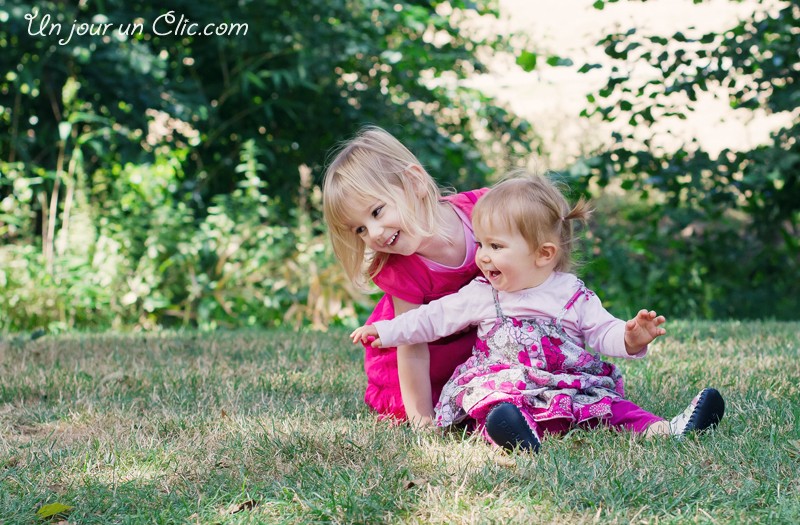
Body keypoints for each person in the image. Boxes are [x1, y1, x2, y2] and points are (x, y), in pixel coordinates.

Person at [350, 172, 725, 451]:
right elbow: (432, 319)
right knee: (495, 402)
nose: (482, 256)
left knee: (609, 405)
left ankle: (667, 429)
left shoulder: (570, 294)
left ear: (543, 254)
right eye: (481, 244)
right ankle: (514, 436)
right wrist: (388, 331)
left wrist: (628, 337)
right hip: (508, 379)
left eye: (495, 246)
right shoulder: (483, 293)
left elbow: (600, 330)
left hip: (565, 380)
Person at [322, 125, 489, 425]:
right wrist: (422, 420)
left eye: (376, 212)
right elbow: (412, 348)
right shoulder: (403, 269)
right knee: (454, 405)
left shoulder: (481, 213)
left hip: (478, 347)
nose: (373, 233)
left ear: (414, 182)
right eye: (360, 229)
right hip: (426, 362)